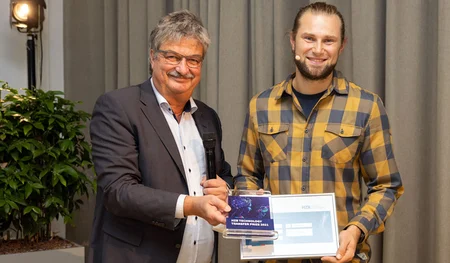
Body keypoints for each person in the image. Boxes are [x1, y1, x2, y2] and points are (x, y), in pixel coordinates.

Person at [234, 2, 404, 263]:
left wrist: (357, 229)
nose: (318, 49)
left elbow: (387, 185)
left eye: (328, 40)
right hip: (274, 257)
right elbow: (247, 175)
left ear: (341, 46)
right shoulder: (261, 106)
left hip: (340, 258)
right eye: (309, 38)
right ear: (293, 41)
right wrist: (251, 208)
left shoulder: (366, 107)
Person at [88, 10, 232, 263]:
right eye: (172, 57)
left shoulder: (207, 116)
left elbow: (223, 173)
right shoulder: (118, 107)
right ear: (153, 57)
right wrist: (191, 205)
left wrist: (226, 188)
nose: (183, 68)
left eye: (193, 60)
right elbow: (118, 191)